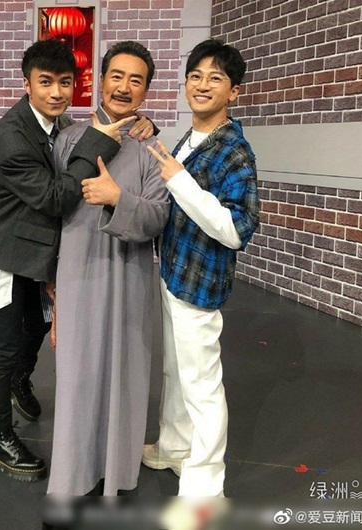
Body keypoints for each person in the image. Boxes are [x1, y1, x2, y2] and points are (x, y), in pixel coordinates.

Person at [0, 39, 152, 482]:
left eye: (65, 83)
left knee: (37, 327)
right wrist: (102, 141)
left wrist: (139, 124)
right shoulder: (11, 136)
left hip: (39, 252)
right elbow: (56, 197)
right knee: (4, 346)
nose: (56, 92)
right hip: (5, 252)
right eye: (45, 82)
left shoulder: (60, 126)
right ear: (27, 84)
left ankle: (20, 380)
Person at [46, 41, 170, 496]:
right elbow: (49, 210)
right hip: (77, 274)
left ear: (146, 91)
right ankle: (70, 480)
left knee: (125, 376)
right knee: (77, 378)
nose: (124, 87)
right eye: (116, 76)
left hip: (129, 277)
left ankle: (116, 474)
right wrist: (50, 287)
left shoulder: (152, 148)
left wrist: (119, 199)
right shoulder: (68, 140)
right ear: (100, 81)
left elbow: (159, 216)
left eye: (136, 80)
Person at [141, 38, 260, 497]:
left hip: (200, 281)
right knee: (175, 370)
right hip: (174, 271)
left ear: (234, 91)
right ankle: (174, 447)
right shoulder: (191, 138)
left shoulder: (235, 152)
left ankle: (206, 485)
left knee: (202, 384)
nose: (202, 85)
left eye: (215, 78)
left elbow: (236, 229)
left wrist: (181, 182)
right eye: (195, 76)